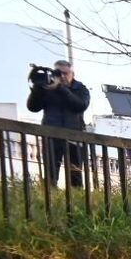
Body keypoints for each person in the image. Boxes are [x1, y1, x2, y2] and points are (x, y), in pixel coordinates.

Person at [26, 59, 90, 188]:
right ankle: (51, 200)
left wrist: (61, 88)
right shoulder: (47, 88)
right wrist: (37, 88)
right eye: (58, 73)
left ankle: (77, 201)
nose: (62, 76)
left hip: (74, 136)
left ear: (73, 74)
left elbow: (80, 105)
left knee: (75, 176)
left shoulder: (80, 89)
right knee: (50, 174)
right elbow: (33, 107)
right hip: (51, 135)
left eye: (65, 73)